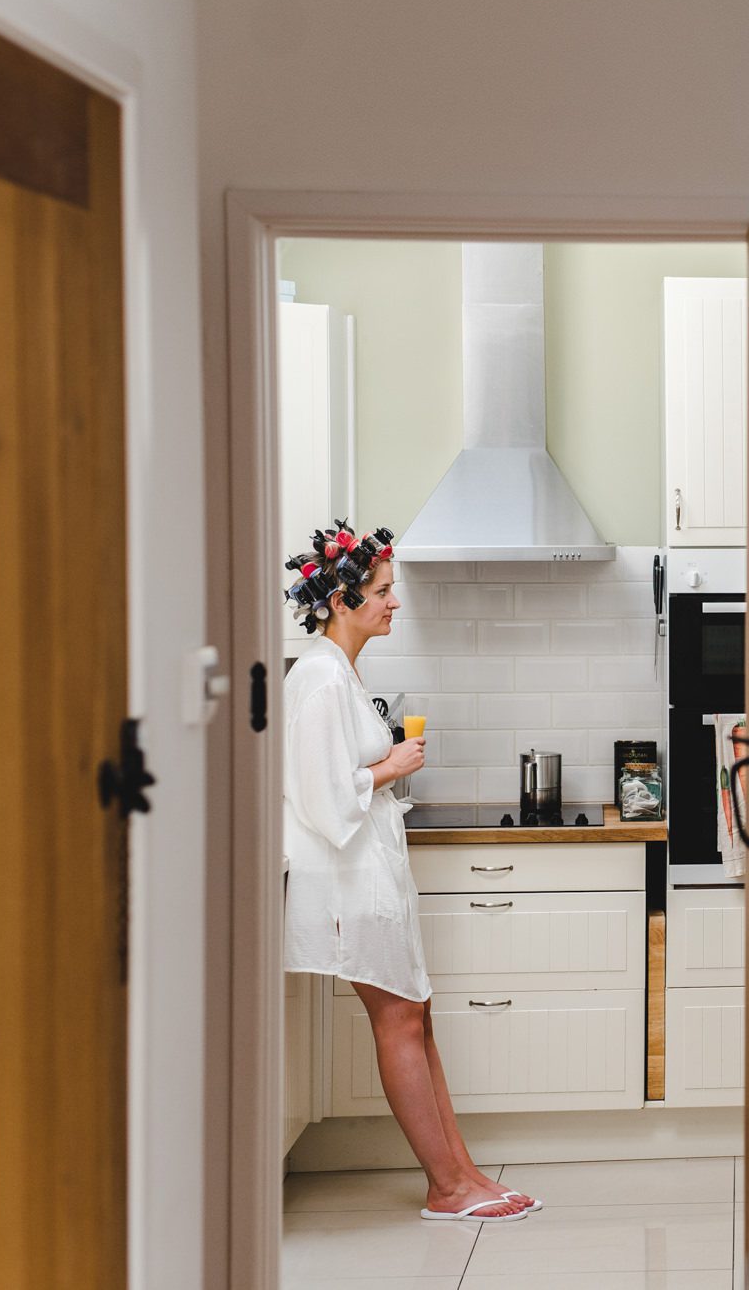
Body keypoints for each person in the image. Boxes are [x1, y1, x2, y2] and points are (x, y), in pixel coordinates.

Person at [281, 522, 541, 1223]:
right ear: (341, 600)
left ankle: (462, 1170)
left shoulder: (343, 673)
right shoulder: (316, 676)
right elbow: (318, 794)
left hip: (373, 876)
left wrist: (382, 770)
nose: (394, 602)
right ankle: (447, 1187)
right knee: (399, 1019)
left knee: (416, 1016)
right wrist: (389, 766)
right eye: (383, 591)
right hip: (347, 882)